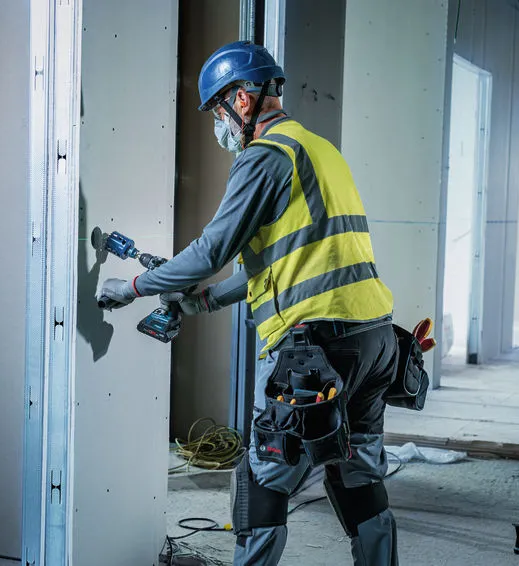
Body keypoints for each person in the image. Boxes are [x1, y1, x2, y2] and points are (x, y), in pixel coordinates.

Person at [97, 40, 399, 566]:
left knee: (264, 477)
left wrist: (133, 289)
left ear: (242, 99)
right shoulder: (319, 149)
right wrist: (209, 300)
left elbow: (212, 249)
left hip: (314, 347)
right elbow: (283, 259)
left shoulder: (264, 157)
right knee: (359, 476)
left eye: (218, 108)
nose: (219, 123)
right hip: (373, 340)